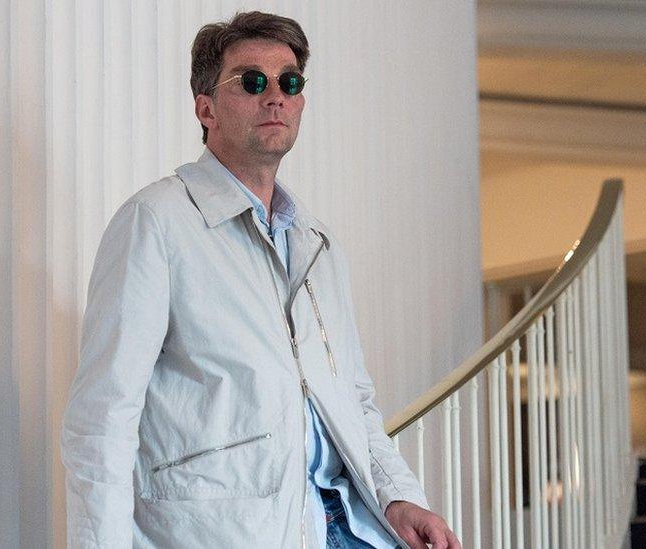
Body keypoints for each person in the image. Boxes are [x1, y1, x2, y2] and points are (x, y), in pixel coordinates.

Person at [61, 11, 460, 549]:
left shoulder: (318, 244)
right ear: (205, 108)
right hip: (227, 534)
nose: (275, 95)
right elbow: (103, 419)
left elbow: (353, 401)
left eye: (289, 82)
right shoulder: (155, 223)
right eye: (252, 81)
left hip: (345, 524)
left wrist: (398, 497)